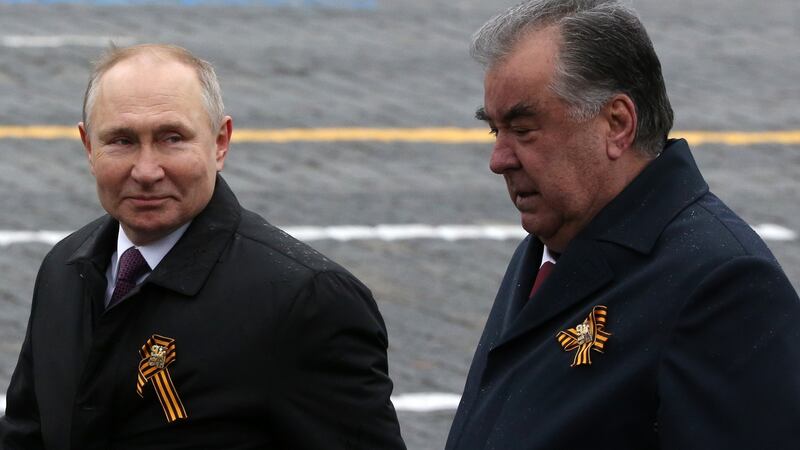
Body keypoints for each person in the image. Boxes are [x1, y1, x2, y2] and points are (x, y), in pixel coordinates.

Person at [0, 44, 406, 449]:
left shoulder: (308, 301)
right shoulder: (63, 269)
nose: (146, 170)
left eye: (172, 138)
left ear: (220, 143)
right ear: (89, 147)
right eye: (122, 141)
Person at [446, 1, 800, 449]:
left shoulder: (721, 284)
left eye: (524, 129)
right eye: (496, 131)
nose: (499, 160)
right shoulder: (546, 246)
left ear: (616, 124)